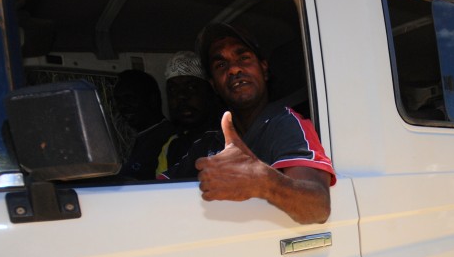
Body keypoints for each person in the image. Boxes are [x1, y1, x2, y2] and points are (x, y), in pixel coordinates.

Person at [162, 23, 335, 224]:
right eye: (221, 65)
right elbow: (156, 189)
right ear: (214, 85)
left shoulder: (286, 124)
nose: (234, 69)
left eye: (243, 58)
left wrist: (262, 181)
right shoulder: (211, 141)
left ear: (264, 69)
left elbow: (318, 207)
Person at [156, 51, 223, 177]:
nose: (181, 96)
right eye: (173, 90)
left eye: (192, 87)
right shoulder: (171, 146)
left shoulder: (229, 138)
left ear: (211, 91)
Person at [114, 69, 177, 179]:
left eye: (130, 99)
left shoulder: (169, 139)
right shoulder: (144, 137)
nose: (122, 106)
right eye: (119, 100)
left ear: (153, 100)